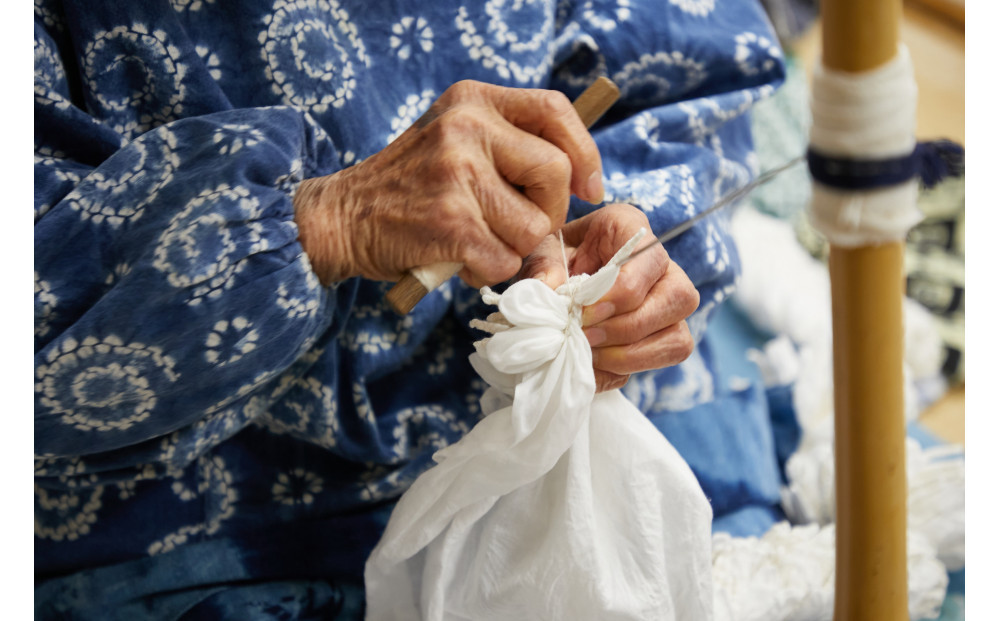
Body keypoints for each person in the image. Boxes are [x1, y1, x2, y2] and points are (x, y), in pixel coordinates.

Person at [34, 0, 784, 617]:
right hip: (191, 535)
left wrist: (630, 255)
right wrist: (329, 222)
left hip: (613, 457)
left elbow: (687, 70)